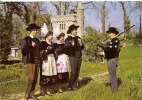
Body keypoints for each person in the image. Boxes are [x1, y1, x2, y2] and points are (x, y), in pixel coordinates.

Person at [21, 23, 41, 100]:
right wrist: (31, 47)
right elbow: (24, 51)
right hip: (30, 60)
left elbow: (39, 50)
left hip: (37, 60)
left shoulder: (37, 40)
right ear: (30, 31)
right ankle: (27, 93)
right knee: (31, 78)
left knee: (35, 78)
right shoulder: (25, 40)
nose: (35, 31)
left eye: (35, 30)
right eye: (33, 30)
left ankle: (32, 94)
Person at [64, 24, 85, 91]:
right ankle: (70, 85)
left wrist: (81, 43)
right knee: (73, 72)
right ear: (71, 31)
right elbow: (66, 49)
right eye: (74, 30)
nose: (76, 31)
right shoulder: (68, 39)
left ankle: (75, 85)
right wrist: (72, 46)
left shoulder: (78, 38)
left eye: (76, 30)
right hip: (73, 57)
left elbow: (82, 47)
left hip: (79, 56)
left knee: (77, 71)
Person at [40, 31, 58, 96]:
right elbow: (41, 52)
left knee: (50, 74)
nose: (52, 36)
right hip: (46, 60)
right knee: (45, 74)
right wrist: (47, 50)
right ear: (47, 36)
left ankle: (48, 90)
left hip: (52, 59)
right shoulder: (43, 43)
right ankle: (42, 89)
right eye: (51, 35)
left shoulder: (52, 43)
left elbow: (55, 51)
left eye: (52, 35)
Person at [104, 27, 121, 93]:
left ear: (114, 33)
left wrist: (105, 49)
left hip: (113, 59)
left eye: (110, 33)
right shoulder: (111, 41)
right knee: (112, 74)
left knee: (112, 75)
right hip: (110, 59)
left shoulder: (115, 41)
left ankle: (115, 91)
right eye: (109, 33)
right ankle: (114, 89)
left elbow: (114, 51)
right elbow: (108, 50)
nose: (109, 34)